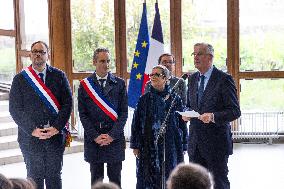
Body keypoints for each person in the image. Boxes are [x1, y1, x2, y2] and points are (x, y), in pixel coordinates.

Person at [9, 41, 73, 189]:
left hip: (55, 137)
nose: (38, 54)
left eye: (42, 52)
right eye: (35, 51)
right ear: (30, 55)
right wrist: (33, 130)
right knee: (34, 177)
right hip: (30, 138)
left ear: (48, 55)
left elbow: (68, 104)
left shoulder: (59, 76)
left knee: (54, 177)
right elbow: (15, 109)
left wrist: (56, 127)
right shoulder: (20, 79)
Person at [183, 43, 241, 189]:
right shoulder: (192, 78)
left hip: (216, 144)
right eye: (194, 54)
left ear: (209, 57)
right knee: (195, 184)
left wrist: (213, 116)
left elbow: (234, 111)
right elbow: (189, 104)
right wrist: (186, 113)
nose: (195, 57)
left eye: (199, 54)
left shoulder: (223, 79)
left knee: (219, 183)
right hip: (195, 143)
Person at [130, 65, 188, 189]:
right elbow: (136, 123)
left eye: (157, 74)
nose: (153, 77)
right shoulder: (144, 99)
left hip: (170, 145)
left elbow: (181, 123)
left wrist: (183, 144)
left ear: (166, 78)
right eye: (152, 74)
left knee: (171, 176)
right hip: (148, 145)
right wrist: (135, 145)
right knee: (149, 177)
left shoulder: (174, 99)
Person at [78, 48, 128, 187]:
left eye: (108, 61)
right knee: (96, 180)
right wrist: (95, 136)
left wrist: (112, 135)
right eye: (102, 61)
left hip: (115, 139)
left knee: (115, 180)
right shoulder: (85, 85)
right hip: (94, 140)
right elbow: (83, 114)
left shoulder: (119, 83)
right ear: (94, 62)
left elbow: (124, 113)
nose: (106, 64)